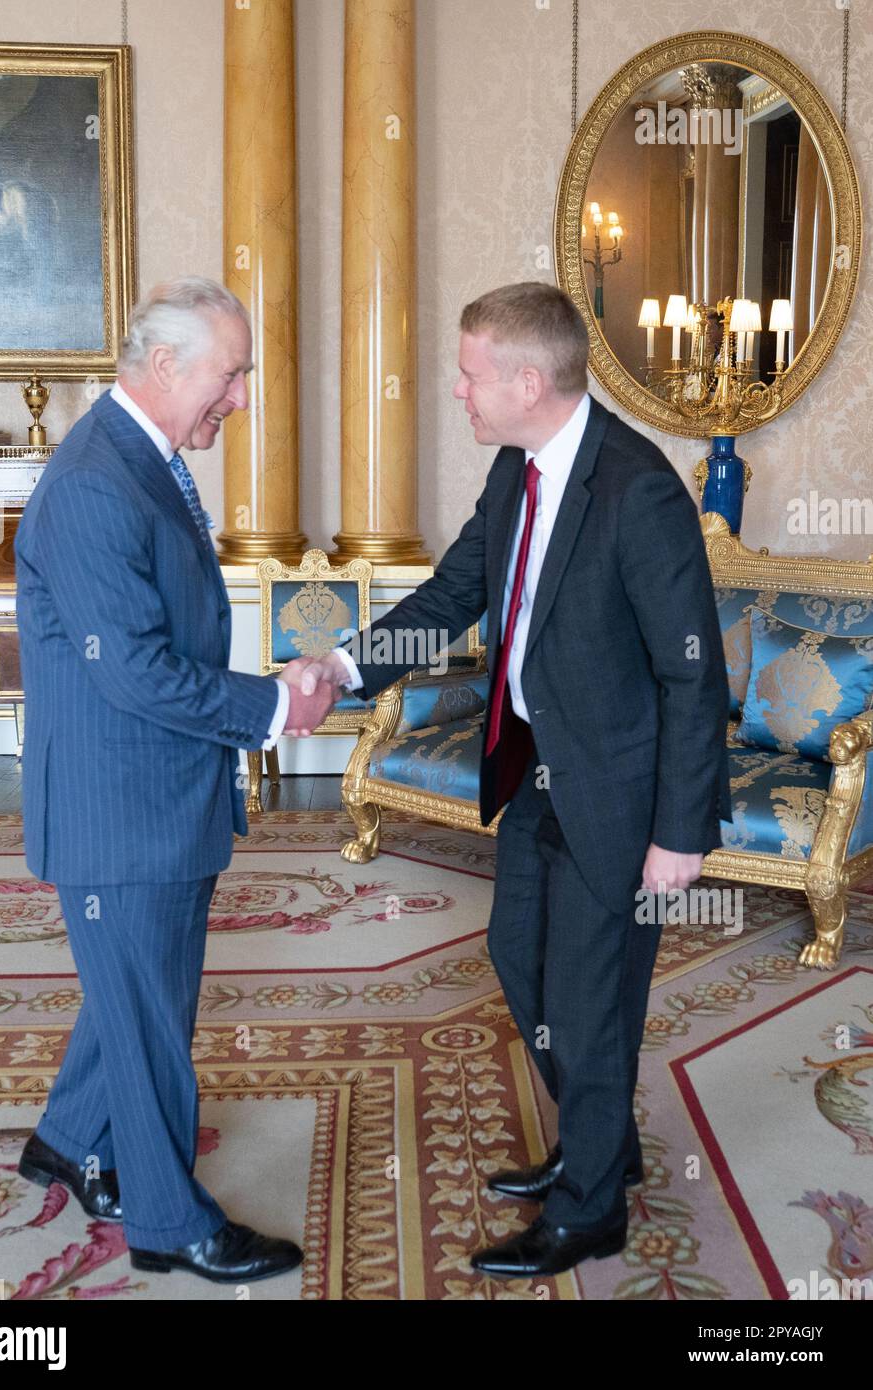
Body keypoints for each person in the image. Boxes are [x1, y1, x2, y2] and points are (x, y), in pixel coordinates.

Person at [284, 281, 732, 1278]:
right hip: (532, 767)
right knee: (516, 955)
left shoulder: (637, 489)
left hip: (618, 789)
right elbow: (454, 591)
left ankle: (589, 1210)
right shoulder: (514, 467)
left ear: (529, 380)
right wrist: (345, 666)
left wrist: (680, 832)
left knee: (588, 994)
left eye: (471, 372)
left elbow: (693, 672)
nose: (457, 389)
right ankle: (595, 1136)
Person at [13, 276, 336, 1284]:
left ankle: (69, 1138)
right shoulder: (95, 484)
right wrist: (276, 708)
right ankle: (164, 1220)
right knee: (153, 1016)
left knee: (136, 991)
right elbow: (133, 669)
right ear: (163, 367)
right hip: (120, 811)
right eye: (229, 373)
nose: (238, 395)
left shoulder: (139, 460)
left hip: (158, 792)